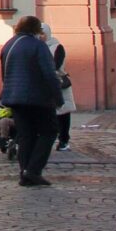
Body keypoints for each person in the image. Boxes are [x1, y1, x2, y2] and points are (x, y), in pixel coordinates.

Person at [0, 16, 64, 187]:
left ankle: (24, 173)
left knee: (26, 134)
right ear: (36, 29)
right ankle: (33, 171)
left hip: (14, 97)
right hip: (37, 97)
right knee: (49, 131)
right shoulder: (38, 46)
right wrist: (58, 97)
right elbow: (49, 74)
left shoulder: (9, 44)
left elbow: (4, 73)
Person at [39, 21, 75, 152]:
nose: (40, 36)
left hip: (59, 84)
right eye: (38, 33)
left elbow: (55, 65)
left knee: (63, 113)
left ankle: (64, 140)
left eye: (42, 33)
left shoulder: (56, 46)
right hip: (43, 85)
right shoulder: (37, 47)